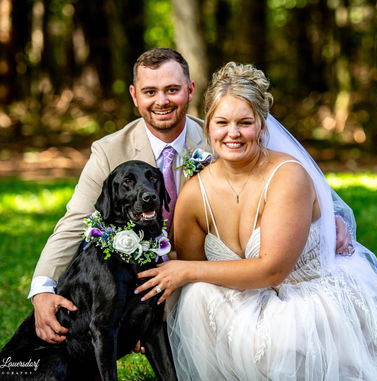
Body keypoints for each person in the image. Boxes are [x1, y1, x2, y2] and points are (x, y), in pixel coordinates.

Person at [135, 62, 377, 380]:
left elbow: (271, 271)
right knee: (197, 292)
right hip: (243, 306)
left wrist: (184, 272)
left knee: (212, 290)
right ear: (208, 125)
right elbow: (188, 273)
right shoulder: (195, 192)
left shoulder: (287, 176)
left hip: (309, 302)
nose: (232, 133)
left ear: (262, 125)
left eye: (244, 122)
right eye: (222, 122)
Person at [28, 48, 352, 345]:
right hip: (135, 270)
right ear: (134, 96)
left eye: (172, 89)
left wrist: (327, 215)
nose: (162, 101)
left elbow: (284, 172)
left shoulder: (221, 134)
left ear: (190, 90)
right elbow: (74, 224)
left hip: (205, 268)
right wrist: (43, 288)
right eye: (150, 92)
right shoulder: (109, 151)